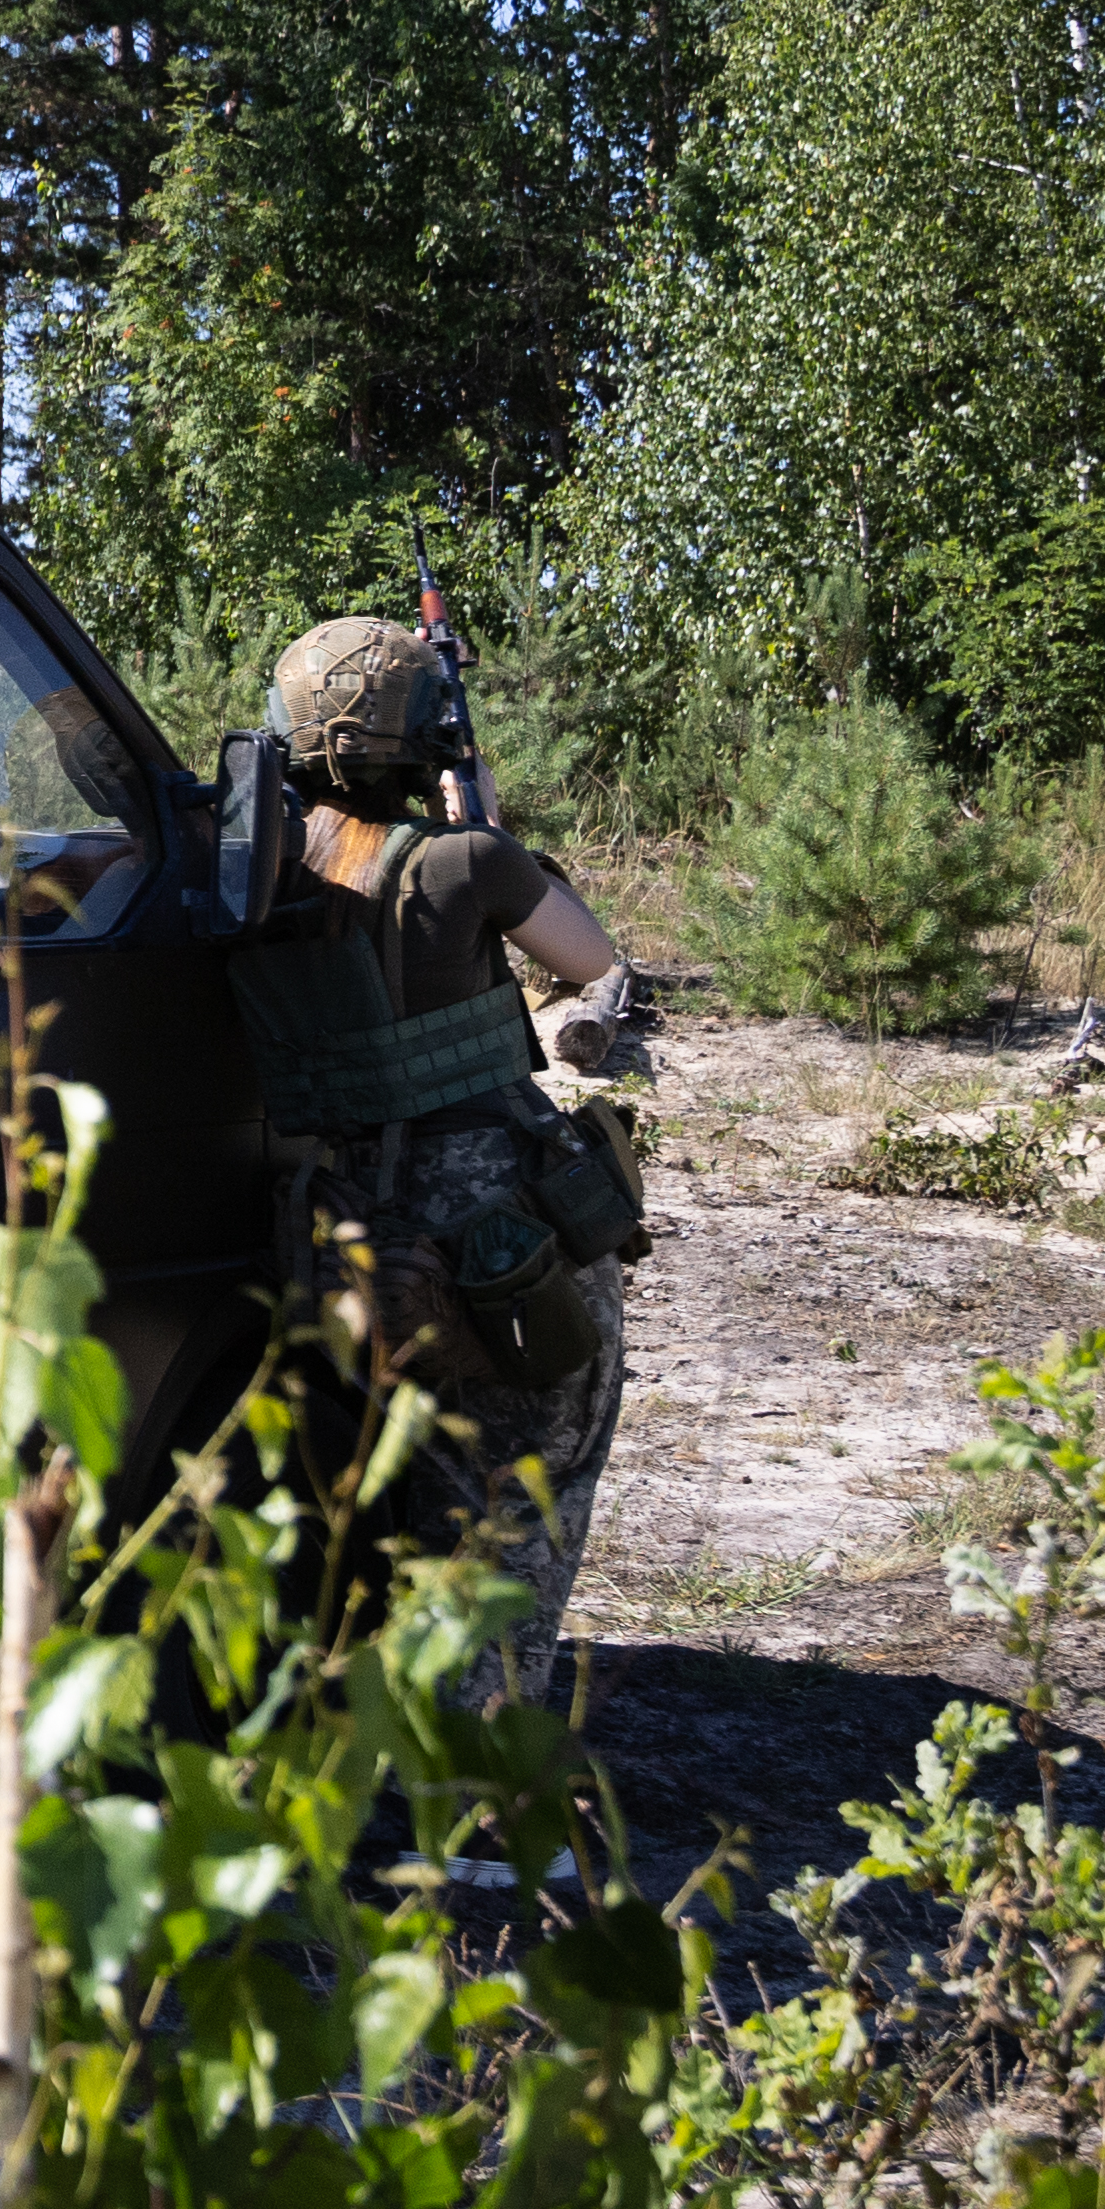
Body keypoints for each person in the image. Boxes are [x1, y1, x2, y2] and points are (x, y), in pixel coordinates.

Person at [232, 612, 654, 1662]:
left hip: (337, 1231)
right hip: (490, 1241)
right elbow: (587, 956)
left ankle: (397, 1755)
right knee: (521, 1507)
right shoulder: (464, 864)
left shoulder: (255, 872)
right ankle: (479, 1794)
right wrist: (486, 825)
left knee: (412, 1497)